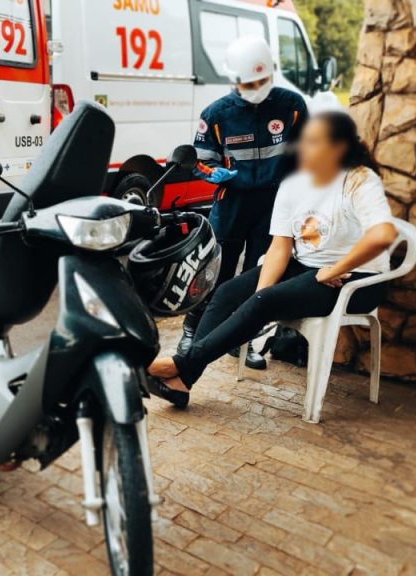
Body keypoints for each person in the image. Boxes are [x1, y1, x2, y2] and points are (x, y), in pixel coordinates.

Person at [147, 111, 398, 408]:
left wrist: (336, 268)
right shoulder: (294, 183)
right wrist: (259, 296)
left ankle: (178, 367)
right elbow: (281, 245)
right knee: (228, 294)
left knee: (263, 304)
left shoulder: (359, 179)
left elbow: (383, 235)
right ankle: (183, 380)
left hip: (357, 278)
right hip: (307, 267)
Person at [180, 36, 309, 370]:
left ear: (271, 74)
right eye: (249, 83)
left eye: (262, 80)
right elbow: (200, 160)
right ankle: (192, 331)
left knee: (258, 272)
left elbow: (307, 152)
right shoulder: (217, 114)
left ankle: (244, 339)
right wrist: (212, 173)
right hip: (231, 201)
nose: (257, 87)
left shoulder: (292, 106)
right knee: (215, 271)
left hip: (275, 204)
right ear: (234, 80)